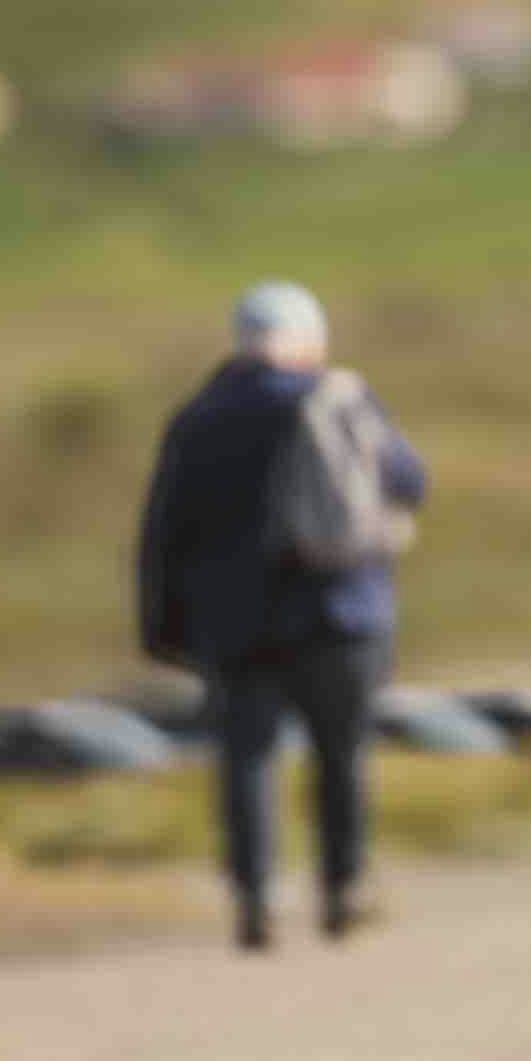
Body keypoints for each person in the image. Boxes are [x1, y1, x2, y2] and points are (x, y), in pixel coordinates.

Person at [134, 281, 429, 951]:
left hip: (234, 619)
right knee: (342, 753)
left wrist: (162, 624)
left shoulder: (200, 417)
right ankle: (344, 885)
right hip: (341, 611)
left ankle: (256, 895)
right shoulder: (341, 400)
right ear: (310, 337)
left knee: (246, 758)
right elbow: (410, 479)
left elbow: (164, 531)